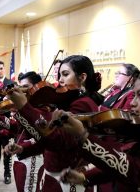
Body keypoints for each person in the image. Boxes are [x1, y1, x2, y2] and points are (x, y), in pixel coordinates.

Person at [58, 68, 140, 191]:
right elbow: (127, 163)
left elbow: (135, 171)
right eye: (133, 95)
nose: (132, 103)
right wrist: (85, 177)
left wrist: (84, 137)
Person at [6, 55, 103, 192]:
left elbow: (58, 139)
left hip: (68, 179)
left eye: (65, 74)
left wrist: (24, 106)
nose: (60, 80)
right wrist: (25, 149)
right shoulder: (69, 101)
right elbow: (48, 141)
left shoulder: (83, 104)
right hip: (53, 175)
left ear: (82, 77)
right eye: (59, 75)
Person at [0, 71, 44, 192]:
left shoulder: (40, 108)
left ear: (36, 88)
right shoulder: (22, 108)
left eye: (25, 87)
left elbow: (42, 137)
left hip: (32, 156)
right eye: (20, 86)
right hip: (19, 156)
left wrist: (22, 146)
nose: (20, 91)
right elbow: (14, 129)